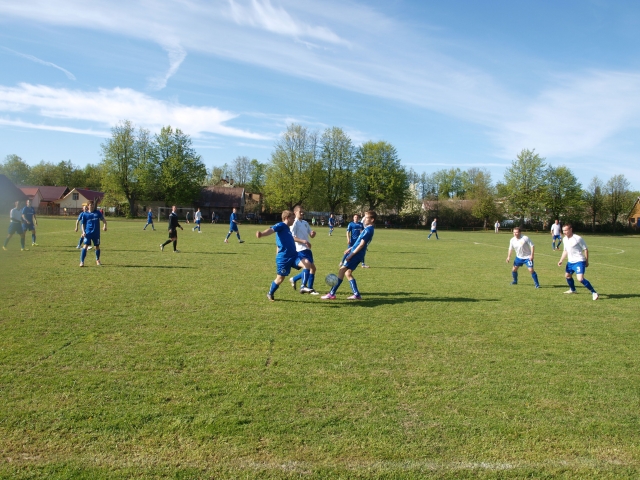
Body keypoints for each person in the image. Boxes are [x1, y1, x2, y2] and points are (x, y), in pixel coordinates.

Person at [256, 210, 314, 301]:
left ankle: (303, 286)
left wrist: (304, 241)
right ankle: (270, 293)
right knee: (280, 279)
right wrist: (262, 234)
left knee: (307, 263)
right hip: (284, 258)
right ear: (287, 218)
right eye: (292, 218)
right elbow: (271, 230)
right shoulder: (281, 225)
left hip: (294, 255)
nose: (294, 220)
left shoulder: (288, 229)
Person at [322, 211, 376, 300]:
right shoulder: (367, 229)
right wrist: (350, 248)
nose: (364, 219)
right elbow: (359, 242)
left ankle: (332, 293)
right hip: (356, 252)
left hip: (356, 254)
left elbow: (362, 244)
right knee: (347, 273)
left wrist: (351, 255)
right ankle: (357, 294)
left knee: (341, 270)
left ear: (372, 219)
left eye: (366, 217)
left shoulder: (368, 230)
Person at [558, 224, 599, 300]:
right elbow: (565, 250)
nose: (564, 232)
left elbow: (585, 249)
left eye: (566, 230)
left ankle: (594, 292)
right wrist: (561, 260)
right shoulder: (564, 239)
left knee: (580, 279)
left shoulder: (578, 238)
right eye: (563, 230)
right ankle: (573, 290)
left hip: (579, 261)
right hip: (570, 262)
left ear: (571, 229)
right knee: (567, 276)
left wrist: (586, 261)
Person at [288, 206, 319, 294]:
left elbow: (311, 235)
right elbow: (292, 237)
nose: (302, 213)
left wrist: (313, 233)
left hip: (307, 249)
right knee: (308, 267)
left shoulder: (305, 222)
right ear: (295, 213)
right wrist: (303, 241)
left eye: (302, 212)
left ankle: (295, 279)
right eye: (300, 212)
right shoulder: (294, 223)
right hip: (300, 249)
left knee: (313, 269)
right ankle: (305, 287)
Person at [79, 201, 107, 267]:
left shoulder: (97, 213)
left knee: (97, 246)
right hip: (88, 233)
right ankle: (82, 262)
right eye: (90, 205)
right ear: (88, 206)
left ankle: (97, 260)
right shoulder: (85, 214)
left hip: (96, 233)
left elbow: (104, 220)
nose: (92, 206)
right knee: (85, 246)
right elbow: (83, 224)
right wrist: (83, 232)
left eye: (93, 205)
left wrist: (105, 226)